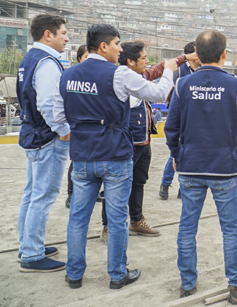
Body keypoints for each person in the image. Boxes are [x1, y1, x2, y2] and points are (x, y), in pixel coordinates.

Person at [53, 24, 177, 290]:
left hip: (83, 157)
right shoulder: (119, 74)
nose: (120, 49)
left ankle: (74, 275)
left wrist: (78, 135)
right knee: (118, 218)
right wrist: (168, 71)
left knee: (78, 217)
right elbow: (156, 93)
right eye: (118, 44)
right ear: (103, 46)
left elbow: (58, 119)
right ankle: (117, 275)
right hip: (115, 156)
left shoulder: (67, 75)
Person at [165, 30, 237, 302]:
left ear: (196, 54)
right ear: (224, 53)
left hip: (190, 168)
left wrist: (176, 154)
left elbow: (171, 127)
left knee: (187, 228)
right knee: (230, 229)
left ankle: (187, 284)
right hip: (225, 169)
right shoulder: (236, 86)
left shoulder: (183, 85)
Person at [97, 41, 196, 241]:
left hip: (143, 140)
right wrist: (170, 69)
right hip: (127, 143)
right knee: (117, 186)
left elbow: (157, 70)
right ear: (131, 62)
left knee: (139, 182)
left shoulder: (137, 76)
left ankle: (136, 220)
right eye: (143, 58)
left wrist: (186, 58)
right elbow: (160, 81)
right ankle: (108, 227)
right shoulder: (122, 79)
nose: (147, 62)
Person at [15, 14, 70, 272]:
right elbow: (48, 104)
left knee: (31, 193)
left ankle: (27, 244)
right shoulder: (48, 62)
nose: (66, 38)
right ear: (48, 35)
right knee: (43, 195)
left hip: (32, 134)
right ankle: (32, 255)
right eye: (63, 33)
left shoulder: (29, 59)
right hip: (47, 137)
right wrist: (63, 131)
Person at [160, 41, 200, 200]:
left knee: (191, 153)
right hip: (181, 116)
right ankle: (165, 183)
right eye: (197, 52)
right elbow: (170, 91)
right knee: (175, 154)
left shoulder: (201, 71)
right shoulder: (180, 70)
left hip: (195, 118)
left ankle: (183, 187)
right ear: (190, 54)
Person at [65, 44, 90, 209]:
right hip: (78, 125)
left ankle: (90, 194)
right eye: (87, 57)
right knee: (77, 162)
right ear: (79, 58)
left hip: (94, 127)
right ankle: (71, 194)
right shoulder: (72, 76)